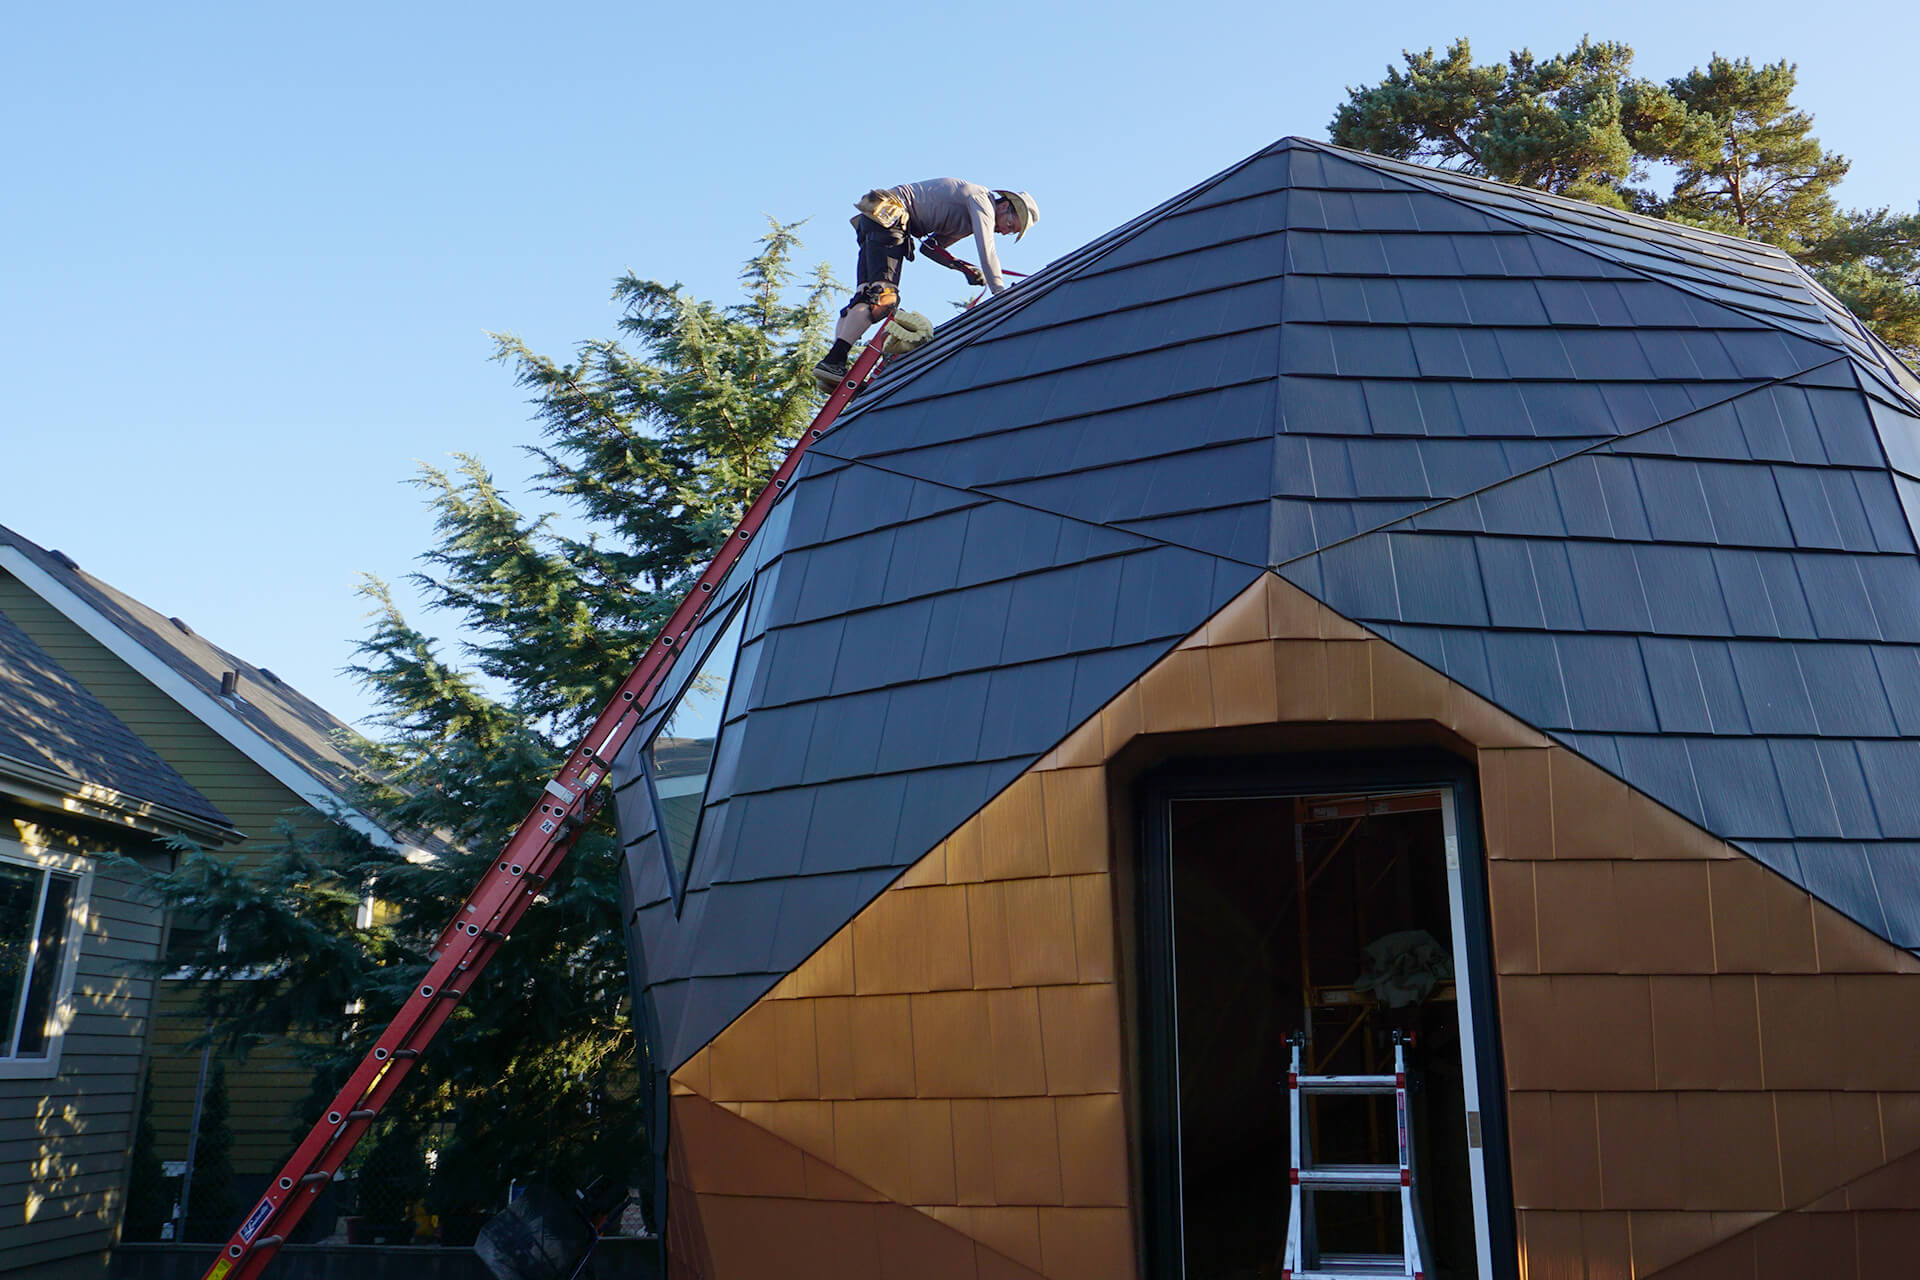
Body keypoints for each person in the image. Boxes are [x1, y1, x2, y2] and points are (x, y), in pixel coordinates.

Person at [812, 179, 1038, 392]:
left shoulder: (967, 218)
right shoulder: (982, 200)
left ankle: (832, 366)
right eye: (1010, 224)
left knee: (866, 296)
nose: (1005, 231)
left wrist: (961, 268)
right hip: (890, 217)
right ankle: (834, 361)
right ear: (1005, 205)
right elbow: (987, 249)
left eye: (1011, 232)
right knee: (884, 298)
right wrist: (1001, 294)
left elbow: (930, 247)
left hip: (877, 218)